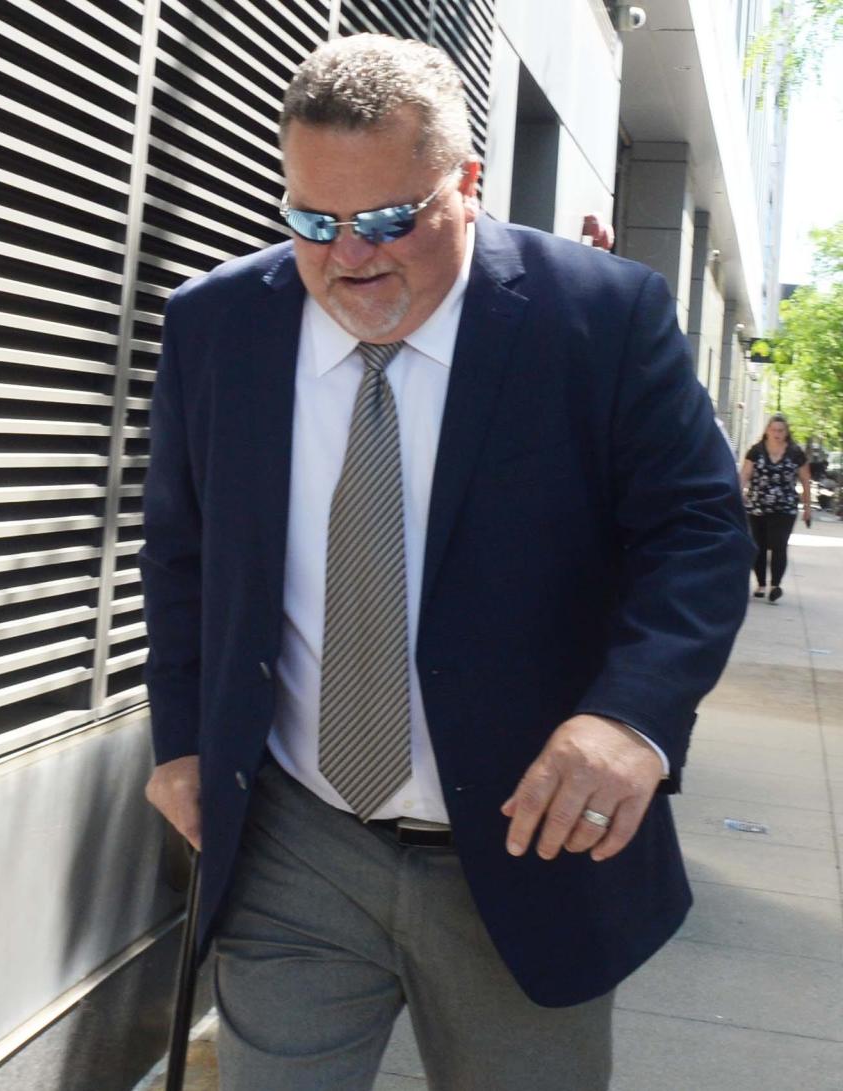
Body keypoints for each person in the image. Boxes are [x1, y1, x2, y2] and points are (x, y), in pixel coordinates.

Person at [139, 34, 753, 1091]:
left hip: (527, 842)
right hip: (296, 836)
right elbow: (184, 551)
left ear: (466, 183)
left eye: (386, 218)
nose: (348, 255)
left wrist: (632, 714)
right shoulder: (219, 325)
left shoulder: (598, 317)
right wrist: (184, 737)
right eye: (310, 222)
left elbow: (697, 532)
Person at [740, 412, 811, 603]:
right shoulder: (756, 451)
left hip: (784, 508)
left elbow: (805, 480)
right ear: (767, 431)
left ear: (786, 432)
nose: (777, 433)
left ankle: (775, 585)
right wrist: (737, 496)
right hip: (757, 506)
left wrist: (807, 508)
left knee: (779, 546)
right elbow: (745, 475)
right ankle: (761, 584)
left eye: (781, 430)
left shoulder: (796, 453)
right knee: (759, 546)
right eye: (773, 430)